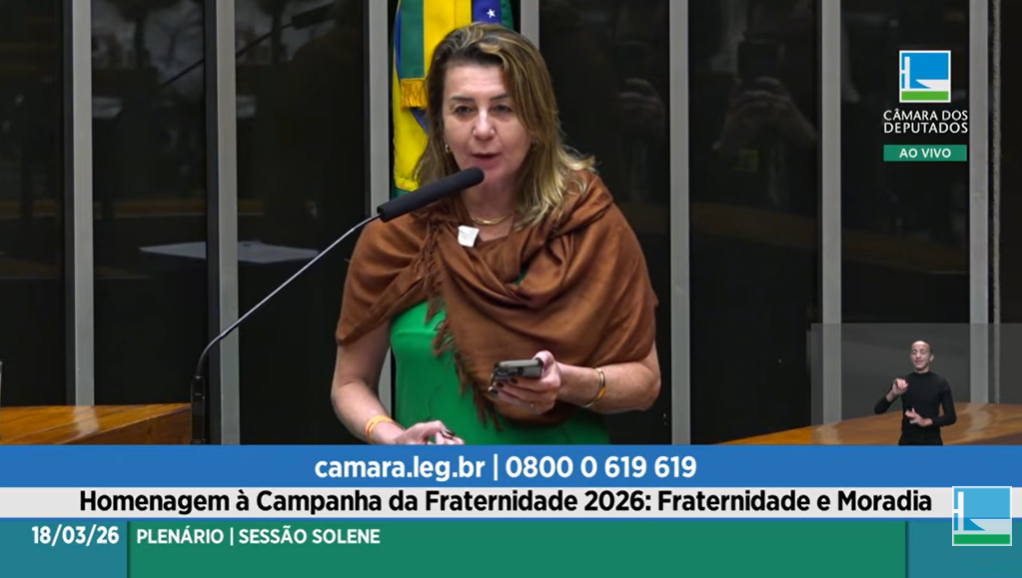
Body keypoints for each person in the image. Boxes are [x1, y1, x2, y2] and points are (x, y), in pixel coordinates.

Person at [330, 23, 661, 445]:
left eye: (503, 108)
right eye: (463, 110)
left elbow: (645, 382)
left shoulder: (586, 223)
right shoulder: (397, 236)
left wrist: (567, 382)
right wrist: (393, 439)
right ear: (440, 124)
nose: (483, 129)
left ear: (536, 122)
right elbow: (349, 383)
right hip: (436, 485)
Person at [873, 340, 957, 445]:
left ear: (931, 357)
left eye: (922, 352)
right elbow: (878, 409)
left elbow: (951, 417)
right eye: (914, 352)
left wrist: (925, 422)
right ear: (911, 357)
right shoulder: (903, 382)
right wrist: (893, 393)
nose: (918, 356)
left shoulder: (940, 383)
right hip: (907, 443)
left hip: (931, 443)